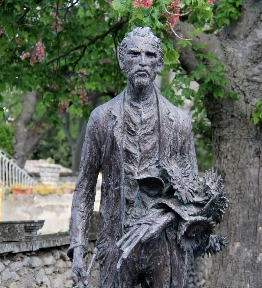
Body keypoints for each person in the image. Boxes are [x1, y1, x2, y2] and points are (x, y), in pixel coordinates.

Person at [68, 27, 227, 288]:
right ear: (122, 61)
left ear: (159, 63)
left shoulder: (179, 122)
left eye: (150, 55)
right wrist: (77, 245)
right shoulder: (102, 118)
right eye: (134, 54)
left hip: (164, 244)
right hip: (117, 240)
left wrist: (162, 218)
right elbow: (84, 188)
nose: (142, 62)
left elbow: (193, 197)